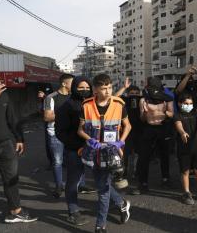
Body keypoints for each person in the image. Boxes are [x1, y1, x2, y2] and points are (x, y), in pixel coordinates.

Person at [77, 74, 131, 233]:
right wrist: (90, 140)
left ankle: (100, 226)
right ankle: (121, 204)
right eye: (103, 88)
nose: (108, 91)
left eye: (109, 87)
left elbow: (128, 126)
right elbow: (79, 130)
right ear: (95, 89)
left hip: (113, 153)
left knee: (103, 192)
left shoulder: (119, 104)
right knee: (102, 186)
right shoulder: (86, 105)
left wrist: (121, 141)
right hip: (94, 154)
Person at [0, 66, 37, 226]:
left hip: (5, 145)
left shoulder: (4, 94)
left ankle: (15, 212)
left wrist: (19, 138)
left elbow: (12, 119)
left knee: (11, 180)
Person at [55, 76, 97, 226]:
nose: (85, 90)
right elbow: (60, 132)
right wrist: (76, 146)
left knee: (102, 178)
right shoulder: (66, 106)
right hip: (75, 150)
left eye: (87, 88)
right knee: (73, 182)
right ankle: (73, 211)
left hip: (95, 148)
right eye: (81, 88)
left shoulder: (94, 104)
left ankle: (119, 203)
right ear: (74, 88)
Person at [132, 77, 174, 194]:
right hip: (149, 128)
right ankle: (143, 183)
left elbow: (171, 114)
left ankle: (166, 179)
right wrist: (145, 112)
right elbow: (142, 119)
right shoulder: (143, 100)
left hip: (163, 128)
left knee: (164, 155)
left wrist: (164, 112)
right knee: (144, 156)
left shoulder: (167, 99)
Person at [43, 73, 74, 198]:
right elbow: (47, 117)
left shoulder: (73, 97)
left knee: (76, 160)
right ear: (64, 83)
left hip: (71, 134)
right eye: (72, 82)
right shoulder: (51, 97)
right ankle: (59, 186)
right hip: (55, 134)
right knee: (57, 161)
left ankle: (79, 185)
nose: (75, 85)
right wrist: (66, 114)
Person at [121, 85, 142, 179]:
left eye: (137, 93)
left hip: (139, 131)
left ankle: (136, 171)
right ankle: (124, 171)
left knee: (138, 153)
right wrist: (124, 88)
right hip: (126, 132)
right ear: (128, 94)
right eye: (132, 94)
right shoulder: (124, 101)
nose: (134, 96)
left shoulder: (142, 101)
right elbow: (114, 98)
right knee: (126, 153)